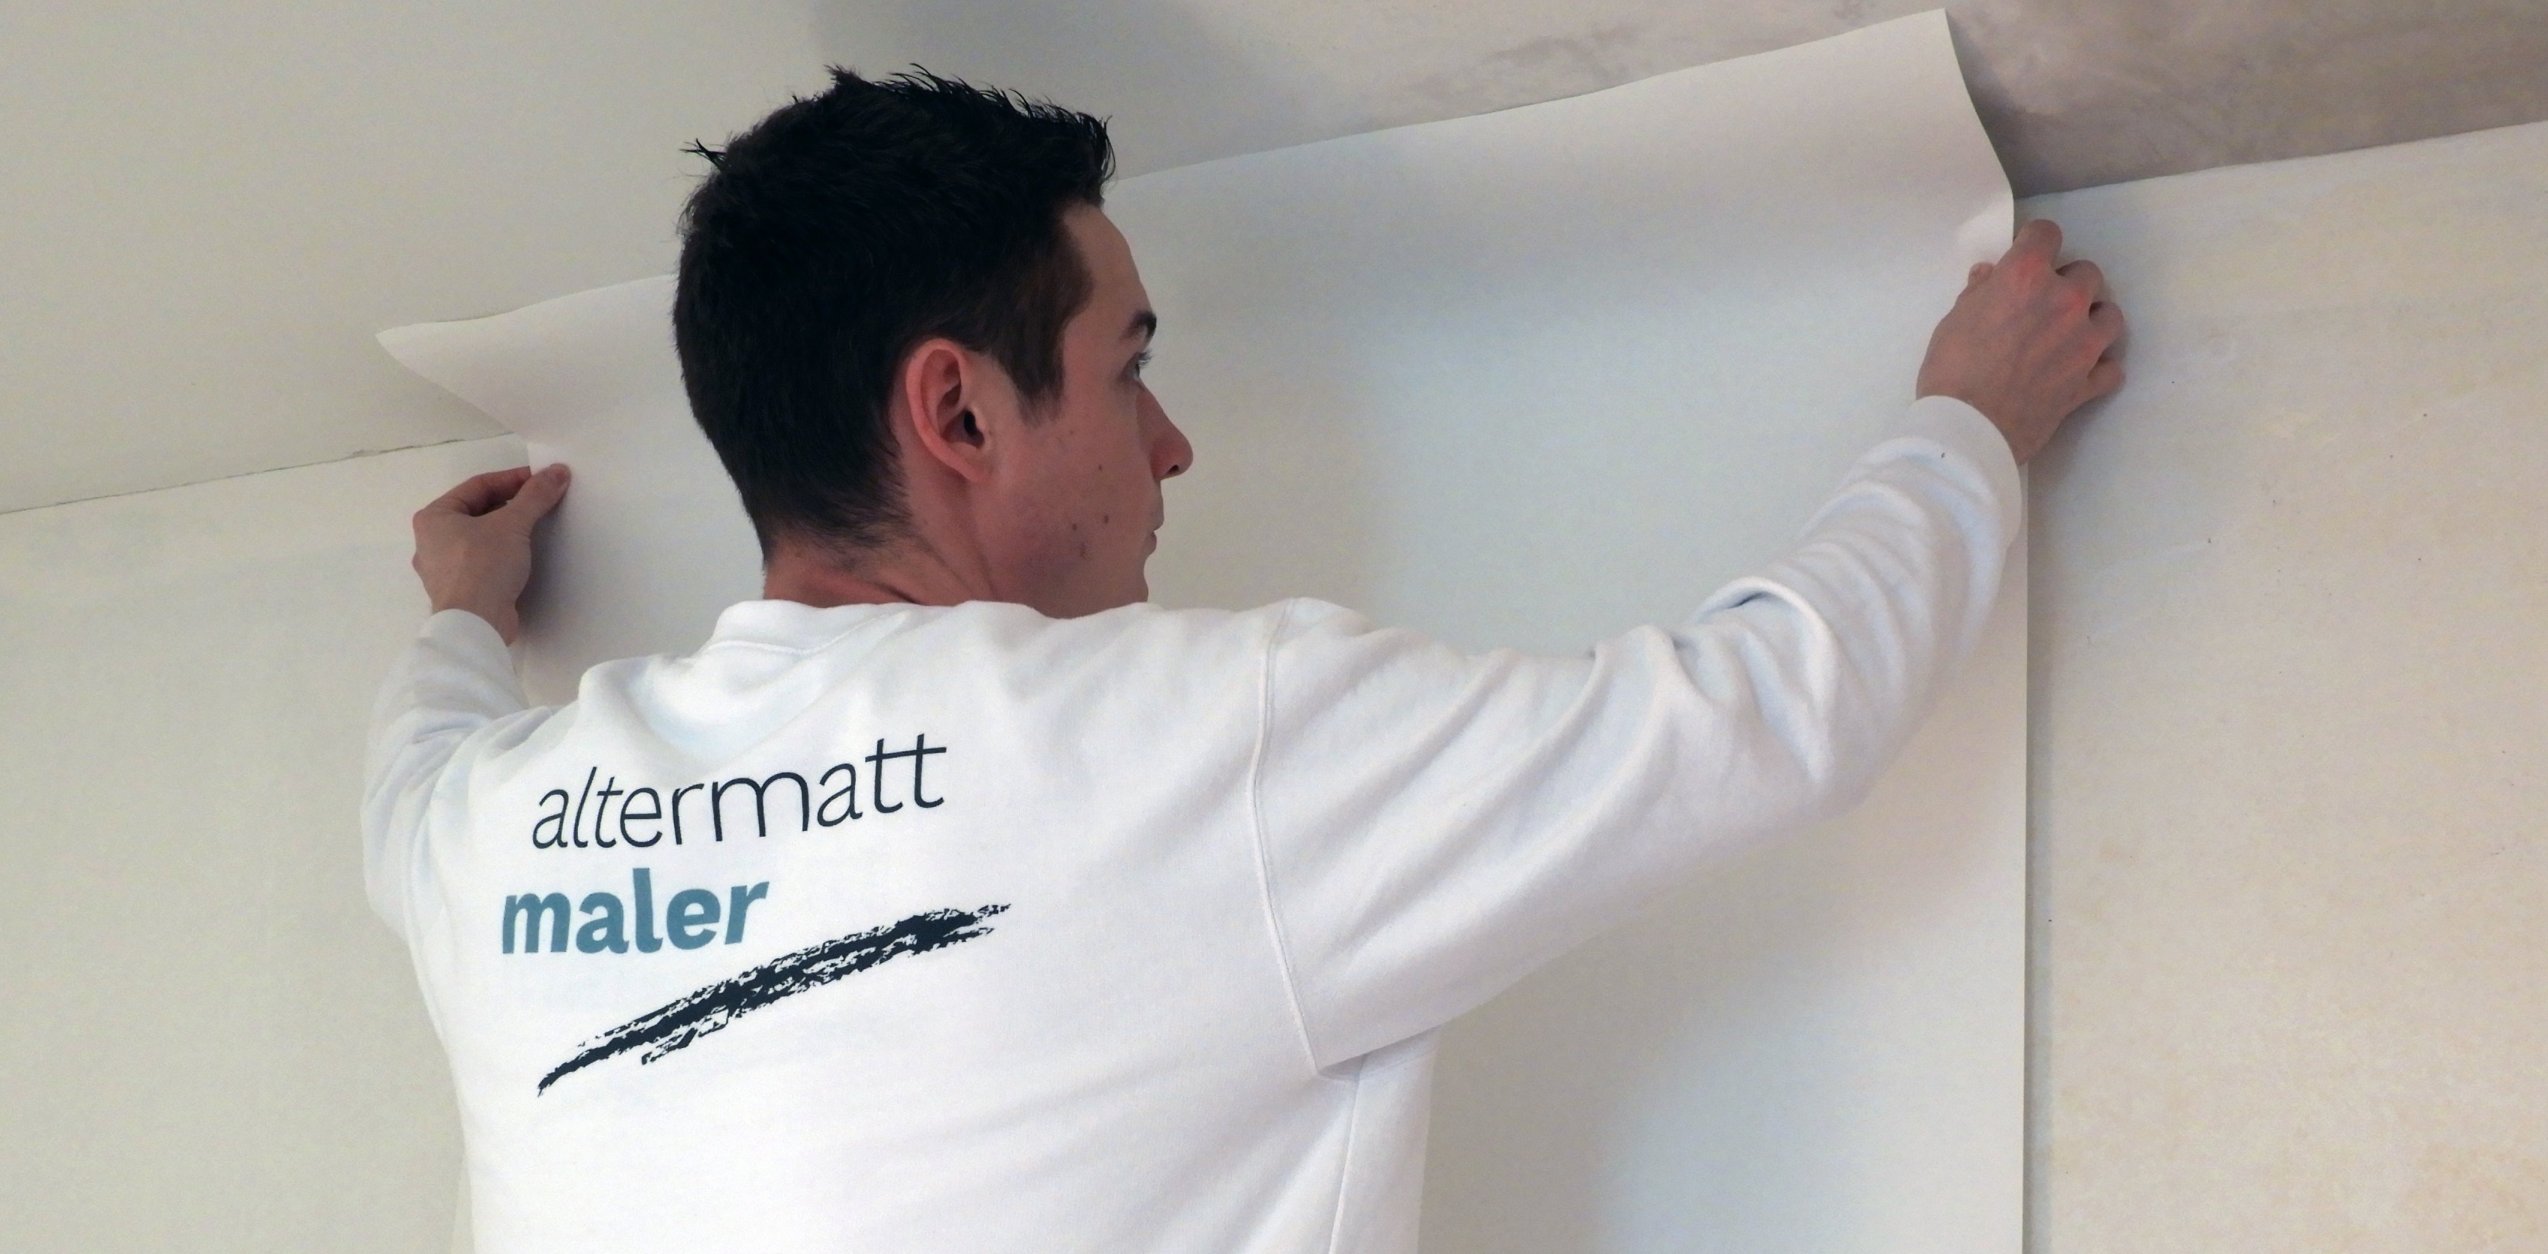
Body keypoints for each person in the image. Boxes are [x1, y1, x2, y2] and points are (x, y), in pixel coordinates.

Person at [365, 69, 2121, 1252]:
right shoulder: (1193, 747)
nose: (1172, 443)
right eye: (1128, 366)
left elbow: (412, 771)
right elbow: (1772, 714)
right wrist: (1969, 424)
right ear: (958, 411)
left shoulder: (494, 830)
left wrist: (462, 608)